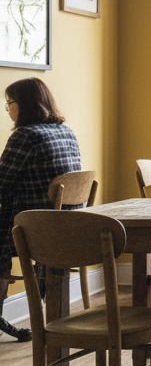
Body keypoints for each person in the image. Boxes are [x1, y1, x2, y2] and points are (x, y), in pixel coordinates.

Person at [0, 77, 82, 342]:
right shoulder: (66, 131)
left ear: (23, 104)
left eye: (9, 103)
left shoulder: (26, 135)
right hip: (65, 226)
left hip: (35, 227)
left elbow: (3, 181)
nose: (8, 109)